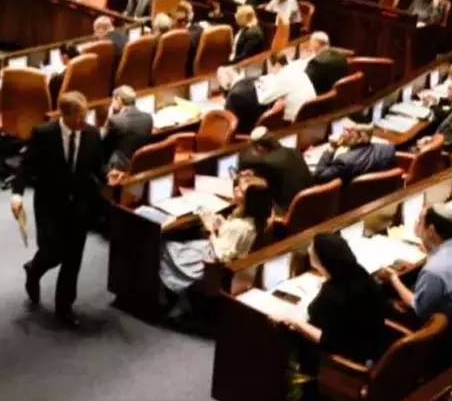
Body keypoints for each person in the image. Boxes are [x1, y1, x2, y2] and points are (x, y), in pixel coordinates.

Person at [10, 92, 110, 327]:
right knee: (52, 251)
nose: (84, 120)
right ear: (65, 115)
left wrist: (109, 178)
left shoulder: (92, 134)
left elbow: (98, 167)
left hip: (80, 204)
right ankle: (34, 270)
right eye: (79, 116)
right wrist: (17, 194)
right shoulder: (44, 134)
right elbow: (27, 165)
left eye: (85, 114)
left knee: (73, 257)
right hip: (49, 204)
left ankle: (64, 306)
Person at [272, 233, 390, 367]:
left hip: (343, 360)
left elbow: (327, 340)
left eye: (312, 247)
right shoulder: (359, 273)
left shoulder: (332, 295)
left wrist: (296, 322)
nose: (308, 249)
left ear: (321, 259)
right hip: (372, 348)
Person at [160, 176, 272, 313]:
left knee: (167, 248)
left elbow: (222, 254)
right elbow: (233, 239)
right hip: (218, 252)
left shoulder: (241, 227)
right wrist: (223, 226)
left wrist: (211, 230)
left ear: (249, 200)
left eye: (240, 191)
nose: (235, 189)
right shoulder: (256, 219)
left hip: (213, 261)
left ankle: (173, 299)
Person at [379, 206, 452, 320]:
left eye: (420, 221)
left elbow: (419, 308)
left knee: (385, 302)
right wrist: (429, 247)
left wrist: (393, 278)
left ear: (431, 230)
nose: (417, 224)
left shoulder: (433, 270)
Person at [237, 133, 313, 212]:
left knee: (250, 199)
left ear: (261, 149)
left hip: (287, 210)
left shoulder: (268, 163)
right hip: (310, 205)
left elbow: (244, 161)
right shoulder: (294, 152)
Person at [312, 121, 397, 184]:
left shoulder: (344, 161)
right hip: (380, 194)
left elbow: (320, 176)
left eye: (346, 132)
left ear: (359, 138)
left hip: (351, 202)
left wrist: (332, 148)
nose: (342, 135)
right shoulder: (388, 149)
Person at [103, 86, 153, 171]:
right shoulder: (148, 118)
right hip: (140, 163)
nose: (112, 103)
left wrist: (109, 117)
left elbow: (104, 143)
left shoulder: (115, 120)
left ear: (119, 99)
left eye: (113, 100)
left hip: (121, 167)